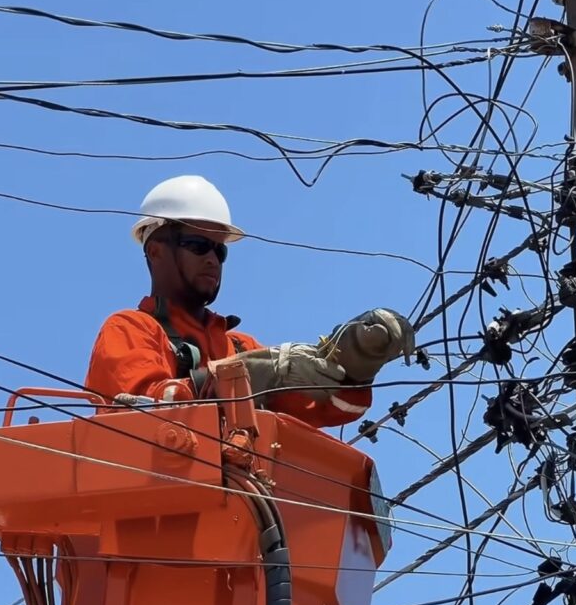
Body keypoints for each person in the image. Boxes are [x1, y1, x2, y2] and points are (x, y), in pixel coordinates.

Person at [86, 175, 412, 429]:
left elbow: (318, 410)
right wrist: (251, 376)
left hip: (243, 504)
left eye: (220, 250)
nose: (213, 259)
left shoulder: (240, 346)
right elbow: (143, 412)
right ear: (156, 250)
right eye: (199, 245)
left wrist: (355, 362)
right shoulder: (130, 328)